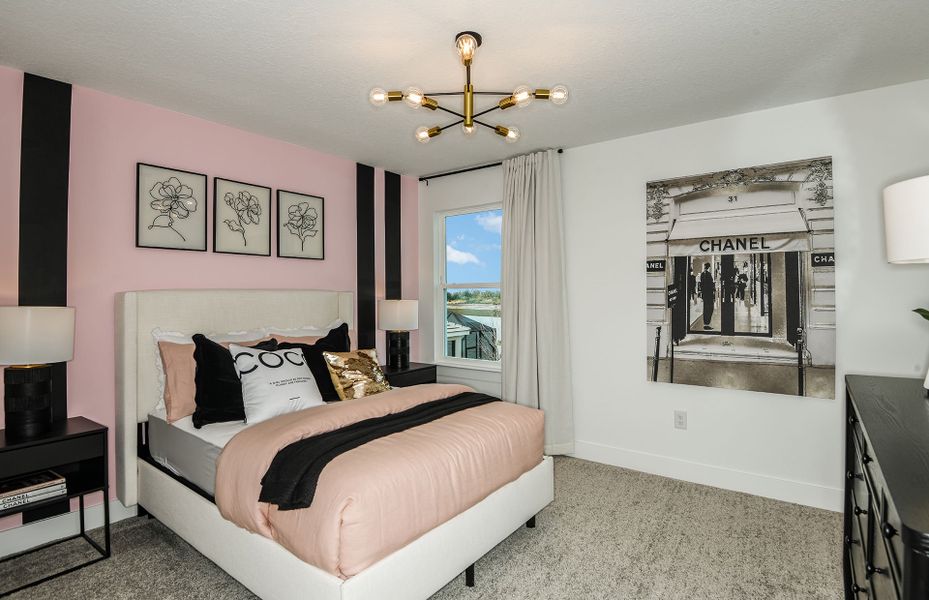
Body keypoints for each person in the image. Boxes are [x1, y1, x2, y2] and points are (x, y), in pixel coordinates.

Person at [699, 262, 715, 330]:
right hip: (709, 294)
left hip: (705, 294)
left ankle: (706, 323)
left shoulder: (702, 274)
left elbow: (702, 285)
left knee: (706, 308)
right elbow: (710, 285)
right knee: (710, 308)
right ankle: (707, 324)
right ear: (709, 267)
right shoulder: (708, 274)